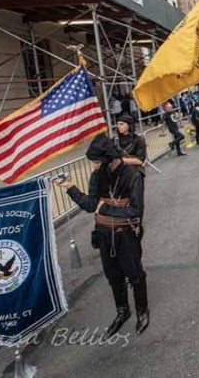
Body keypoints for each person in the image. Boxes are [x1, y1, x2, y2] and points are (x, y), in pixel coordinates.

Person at [56, 134, 149, 336]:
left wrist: (105, 208)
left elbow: (135, 210)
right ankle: (122, 311)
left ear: (109, 157)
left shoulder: (132, 176)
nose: (94, 166)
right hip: (104, 234)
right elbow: (91, 206)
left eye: (97, 162)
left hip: (125, 233)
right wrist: (70, 187)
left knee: (135, 275)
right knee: (113, 276)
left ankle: (142, 310)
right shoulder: (98, 176)